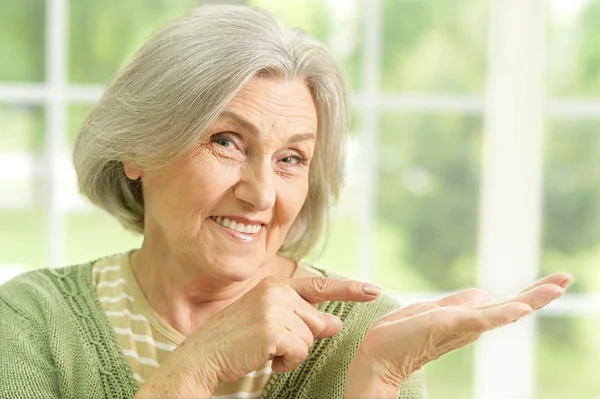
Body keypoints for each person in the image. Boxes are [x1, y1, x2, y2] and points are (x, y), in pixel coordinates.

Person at [0, 5, 571, 399]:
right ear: (138, 150)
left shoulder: (362, 335)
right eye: (226, 142)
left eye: (291, 159)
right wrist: (198, 365)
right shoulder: (33, 322)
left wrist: (373, 379)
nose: (262, 193)